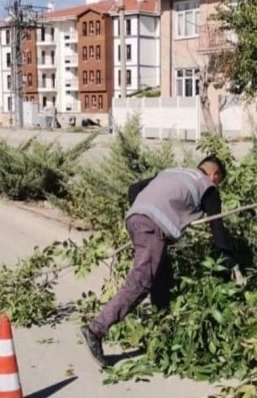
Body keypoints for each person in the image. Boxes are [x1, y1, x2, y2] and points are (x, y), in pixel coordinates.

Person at [79, 155, 243, 367]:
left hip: (135, 219)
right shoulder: (207, 187)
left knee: (163, 275)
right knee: (141, 281)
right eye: (218, 181)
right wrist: (231, 263)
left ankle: (160, 331)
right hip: (152, 228)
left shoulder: (172, 172)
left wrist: (143, 216)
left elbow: (133, 188)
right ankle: (95, 330)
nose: (216, 184)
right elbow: (217, 230)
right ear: (215, 175)